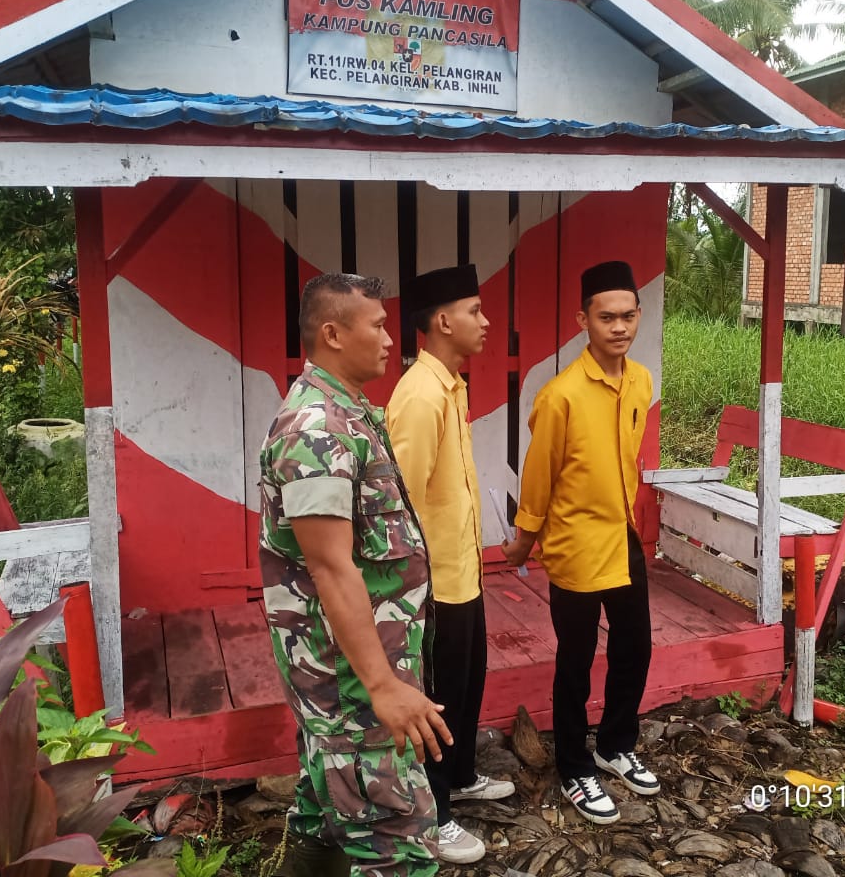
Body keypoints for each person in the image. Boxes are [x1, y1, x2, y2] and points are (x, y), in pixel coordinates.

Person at [259, 272, 450, 877]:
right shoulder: (317, 429)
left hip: (355, 672)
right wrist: (383, 686)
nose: (391, 338)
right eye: (378, 325)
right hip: (351, 683)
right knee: (396, 840)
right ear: (334, 334)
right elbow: (329, 566)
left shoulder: (350, 413)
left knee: (324, 811)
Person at [500, 260, 659, 825]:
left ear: (638, 316)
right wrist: (524, 541)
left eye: (627, 316)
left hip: (624, 538)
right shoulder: (559, 396)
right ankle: (573, 767)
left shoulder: (640, 380)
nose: (618, 327)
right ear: (583, 321)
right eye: (605, 317)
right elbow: (539, 478)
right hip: (573, 544)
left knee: (635, 646)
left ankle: (615, 745)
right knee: (575, 659)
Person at [387, 263, 515, 865]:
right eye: (475, 311)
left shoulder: (450, 385)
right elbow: (401, 501)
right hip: (434, 584)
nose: (485, 322)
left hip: (464, 576)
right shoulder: (419, 395)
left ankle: (460, 778)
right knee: (436, 702)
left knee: (465, 687)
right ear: (443, 321)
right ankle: (432, 816)